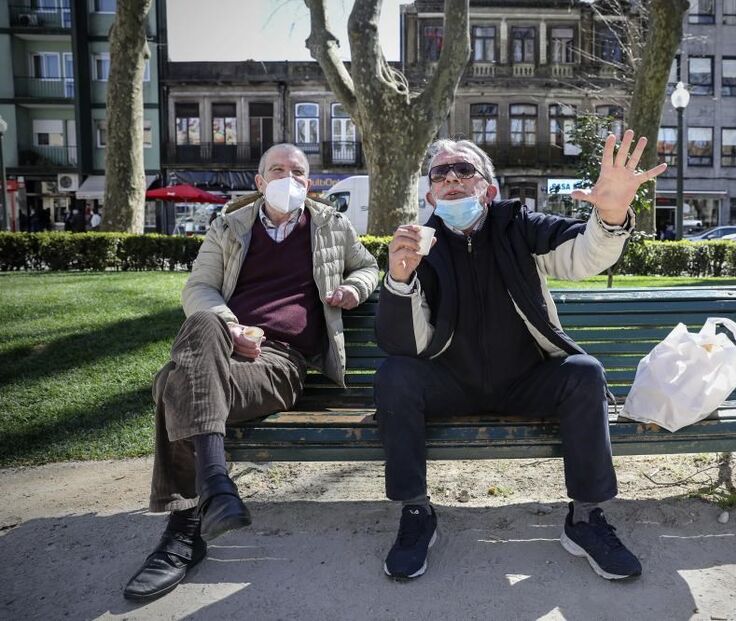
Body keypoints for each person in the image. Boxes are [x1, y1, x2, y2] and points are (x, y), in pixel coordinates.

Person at [374, 130, 666, 581]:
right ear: (430, 195)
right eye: (440, 173)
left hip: (525, 380)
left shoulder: (519, 226)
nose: (451, 178)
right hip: (452, 383)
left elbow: (582, 255)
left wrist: (610, 215)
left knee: (584, 372)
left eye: (464, 169)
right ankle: (416, 513)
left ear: (489, 189)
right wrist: (399, 281)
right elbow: (406, 346)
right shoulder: (418, 246)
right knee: (395, 374)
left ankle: (585, 518)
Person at [123, 143, 379, 601]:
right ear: (259, 182)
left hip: (280, 362)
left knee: (173, 383)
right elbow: (199, 288)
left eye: (297, 172)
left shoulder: (332, 225)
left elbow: (368, 266)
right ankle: (216, 486)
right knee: (203, 322)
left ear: (309, 183)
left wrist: (353, 289)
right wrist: (232, 327)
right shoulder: (228, 226)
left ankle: (184, 530)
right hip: (224, 345)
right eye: (277, 170)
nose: (288, 178)